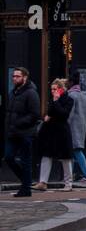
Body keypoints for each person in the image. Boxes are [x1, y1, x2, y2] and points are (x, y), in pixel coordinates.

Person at [4, 65, 41, 197]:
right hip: (13, 132)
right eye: (13, 76)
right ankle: (26, 181)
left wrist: (19, 123)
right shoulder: (13, 92)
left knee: (26, 160)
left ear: (24, 77)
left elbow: (35, 114)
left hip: (26, 132)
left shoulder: (31, 93)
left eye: (17, 76)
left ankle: (26, 188)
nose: (14, 78)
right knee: (8, 157)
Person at [36, 78, 73, 191]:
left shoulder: (69, 100)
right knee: (46, 155)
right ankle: (43, 182)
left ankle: (68, 184)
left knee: (65, 158)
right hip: (51, 131)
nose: (52, 91)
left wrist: (56, 102)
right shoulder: (53, 99)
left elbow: (64, 114)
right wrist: (52, 108)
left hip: (62, 131)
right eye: (51, 89)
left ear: (61, 89)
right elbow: (50, 113)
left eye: (54, 89)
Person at [67, 73, 86, 186]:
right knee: (74, 150)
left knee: (76, 150)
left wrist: (65, 124)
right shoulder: (83, 96)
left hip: (72, 126)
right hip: (82, 126)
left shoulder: (71, 96)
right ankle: (70, 175)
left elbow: (70, 113)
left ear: (71, 83)